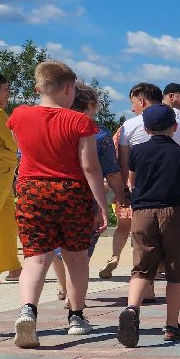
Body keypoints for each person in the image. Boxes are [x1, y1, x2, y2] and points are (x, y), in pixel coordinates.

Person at [7, 61, 107, 346]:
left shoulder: (19, 115)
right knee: (75, 257)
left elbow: (22, 150)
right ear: (69, 88)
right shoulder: (80, 122)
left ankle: (28, 311)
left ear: (38, 87)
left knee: (36, 258)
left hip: (31, 190)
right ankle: (76, 317)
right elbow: (90, 166)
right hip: (71, 192)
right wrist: (101, 204)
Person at [116, 104, 180, 347]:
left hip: (142, 213)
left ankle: (132, 309)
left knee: (142, 266)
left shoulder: (137, 152)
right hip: (174, 213)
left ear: (146, 129)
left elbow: (133, 183)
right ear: (175, 127)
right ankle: (171, 325)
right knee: (176, 270)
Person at [53, 84, 126, 304]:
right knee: (82, 249)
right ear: (91, 105)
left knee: (56, 245)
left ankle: (63, 288)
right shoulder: (99, 133)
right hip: (86, 195)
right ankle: (74, 297)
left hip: (50, 192)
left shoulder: (53, 126)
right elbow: (111, 171)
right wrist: (121, 195)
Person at [0, 75, 20, 280]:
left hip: (4, 173)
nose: (8, 94)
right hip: (0, 172)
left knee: (6, 220)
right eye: (5, 89)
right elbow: (13, 144)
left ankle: (13, 266)